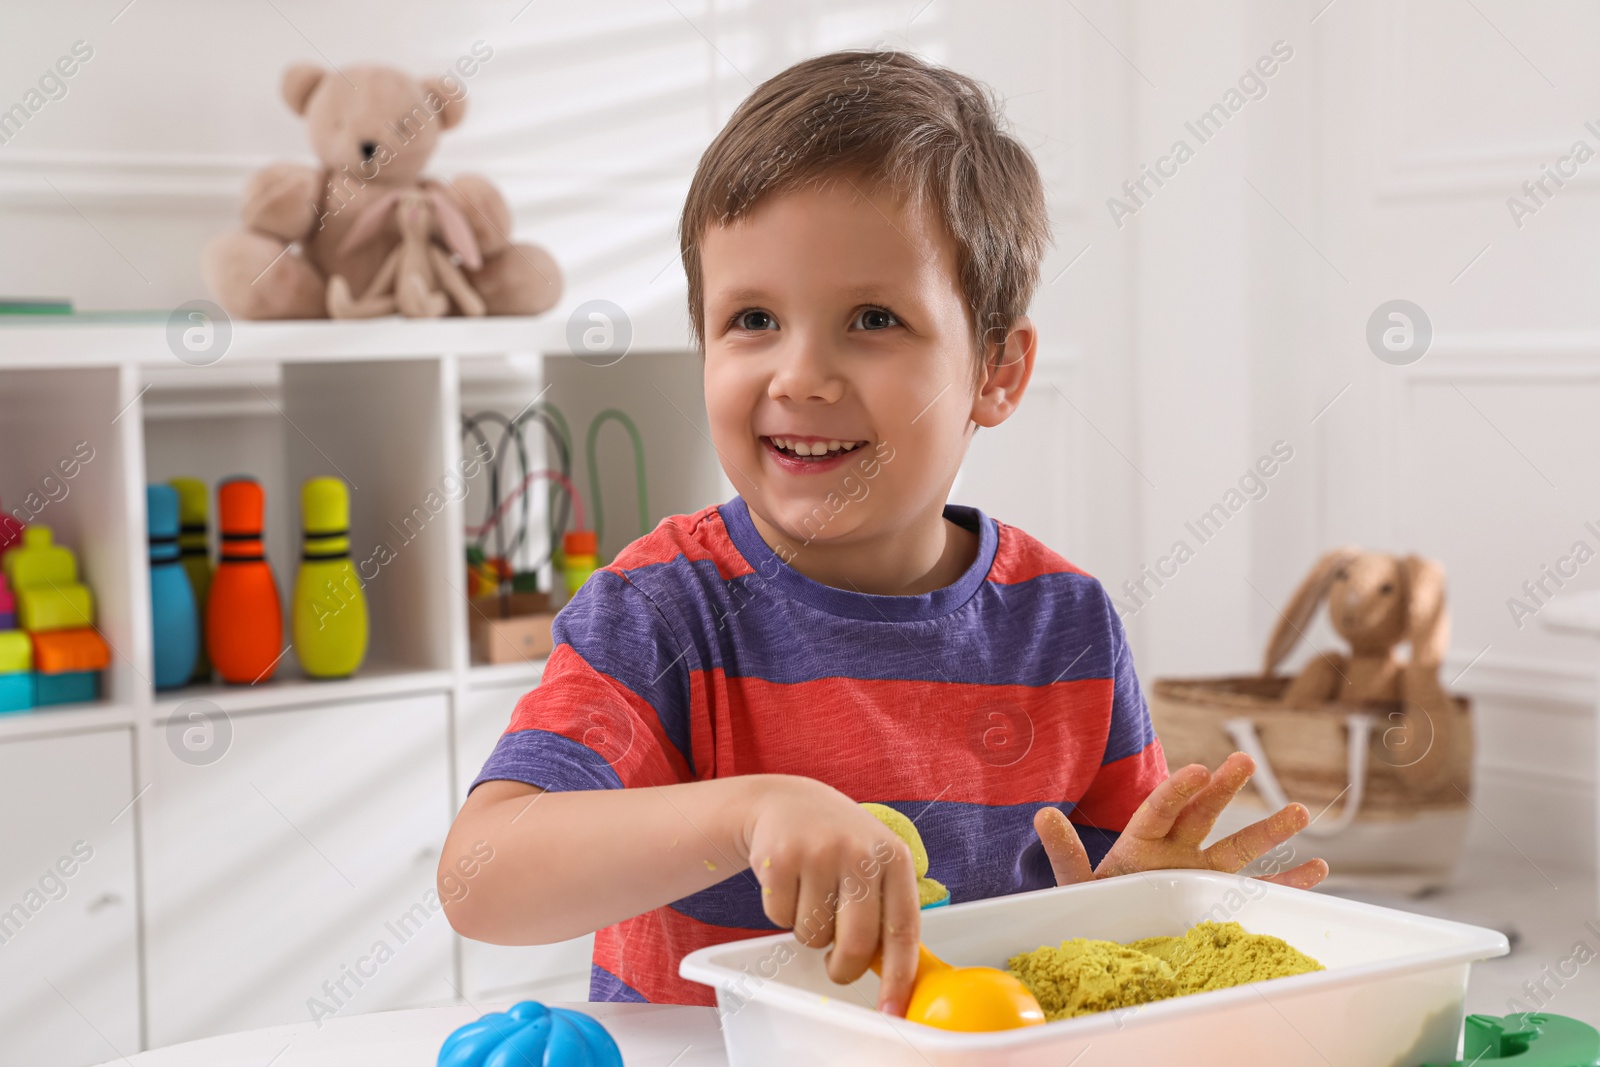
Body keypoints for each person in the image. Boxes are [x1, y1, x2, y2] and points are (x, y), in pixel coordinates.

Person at [439, 48, 1328, 1018]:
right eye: (752, 318)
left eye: (871, 317)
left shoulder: (1063, 624)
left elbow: (1081, 956)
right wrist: (747, 812)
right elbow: (481, 879)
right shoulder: (662, 608)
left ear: (997, 368)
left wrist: (1144, 901)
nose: (801, 374)